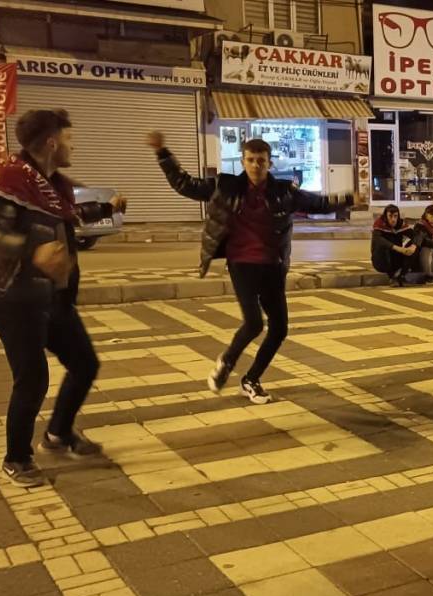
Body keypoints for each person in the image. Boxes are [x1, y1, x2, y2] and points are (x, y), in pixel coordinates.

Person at [0, 109, 127, 487]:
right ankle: (16, 458)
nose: (73, 146)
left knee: (85, 363)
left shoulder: (51, 184)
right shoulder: (9, 180)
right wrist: (32, 251)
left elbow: (67, 216)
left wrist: (107, 208)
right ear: (51, 143)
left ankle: (58, 434)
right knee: (32, 380)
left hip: (53, 296)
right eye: (69, 139)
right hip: (15, 297)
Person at [149, 131, 352, 404]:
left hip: (272, 267)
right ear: (243, 161)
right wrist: (163, 153)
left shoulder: (284, 192)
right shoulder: (226, 186)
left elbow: (318, 203)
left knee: (279, 328)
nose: (256, 165)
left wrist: (349, 198)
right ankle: (227, 361)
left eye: (261, 160)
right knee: (254, 323)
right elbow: (185, 185)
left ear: (270, 163)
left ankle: (251, 379)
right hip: (242, 264)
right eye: (251, 160)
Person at [372, 204, 417, 286]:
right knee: (383, 245)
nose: (393, 219)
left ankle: (401, 276)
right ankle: (392, 276)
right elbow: (378, 240)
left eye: (395, 216)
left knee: (414, 245)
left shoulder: (401, 224)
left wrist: (413, 246)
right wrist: (397, 248)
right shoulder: (379, 224)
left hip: (396, 257)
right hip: (382, 260)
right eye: (390, 216)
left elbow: (416, 236)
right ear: (386, 216)